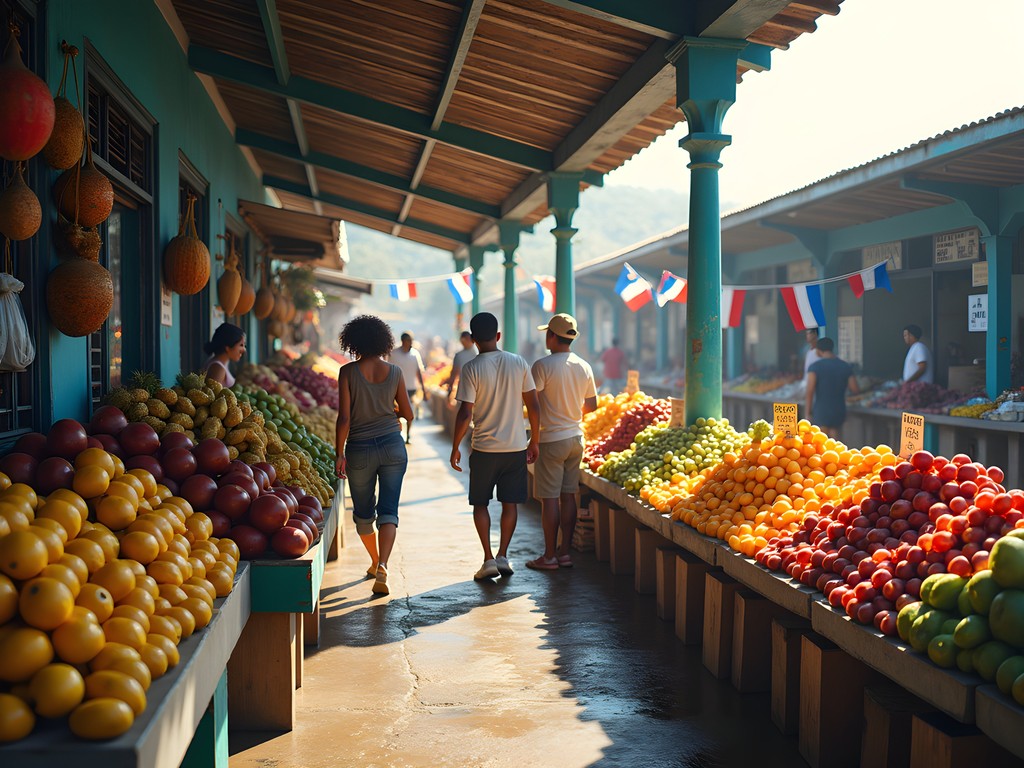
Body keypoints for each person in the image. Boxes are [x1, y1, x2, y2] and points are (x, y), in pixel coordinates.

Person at [450, 312, 540, 581]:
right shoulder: (519, 362)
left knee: (481, 504)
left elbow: (465, 413)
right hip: (515, 448)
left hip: (484, 449)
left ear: (474, 339)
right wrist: (534, 439)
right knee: (510, 503)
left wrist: (455, 446)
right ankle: (503, 555)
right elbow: (533, 406)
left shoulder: (471, 368)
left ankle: (488, 558)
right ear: (498, 336)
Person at [335, 315, 414, 596]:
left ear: (353, 341)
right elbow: (408, 413)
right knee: (389, 511)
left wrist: (338, 453)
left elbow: (344, 418)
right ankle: (383, 565)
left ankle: (373, 560)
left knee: (364, 514)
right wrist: (389, 411)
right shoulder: (395, 372)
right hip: (393, 446)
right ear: (384, 341)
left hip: (359, 449)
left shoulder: (347, 373)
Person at [525, 314, 597, 571]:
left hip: (551, 439)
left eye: (548, 333)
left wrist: (535, 437)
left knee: (549, 499)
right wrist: (570, 414)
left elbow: (533, 405)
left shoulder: (542, 366)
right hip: (576, 438)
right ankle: (564, 553)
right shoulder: (584, 365)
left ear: (552, 336)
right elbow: (592, 405)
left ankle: (549, 556)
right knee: (569, 496)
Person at [805, 337, 859, 438]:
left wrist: (808, 413)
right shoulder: (845, 366)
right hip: (839, 409)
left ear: (819, 350)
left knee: (822, 442)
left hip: (821, 410)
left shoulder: (815, 367)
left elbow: (810, 391)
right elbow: (855, 388)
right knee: (836, 443)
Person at [390, 332, 426, 443]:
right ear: (402, 341)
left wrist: (423, 389)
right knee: (396, 413)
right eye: (407, 340)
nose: (409, 343)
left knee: (409, 413)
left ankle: (408, 434)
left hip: (410, 388)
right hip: (395, 388)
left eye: (410, 341)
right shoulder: (394, 354)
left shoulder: (415, 354)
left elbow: (418, 372)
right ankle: (397, 434)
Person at [203, 323, 246, 387]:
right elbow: (212, 395)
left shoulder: (220, 363)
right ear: (227, 347)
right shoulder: (217, 368)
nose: (244, 349)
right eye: (241, 345)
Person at [446, 331, 477, 400]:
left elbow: (454, 374)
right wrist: (450, 390)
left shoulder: (477, 354)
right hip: (471, 392)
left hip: (467, 393)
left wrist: (449, 391)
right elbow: (454, 374)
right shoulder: (477, 354)